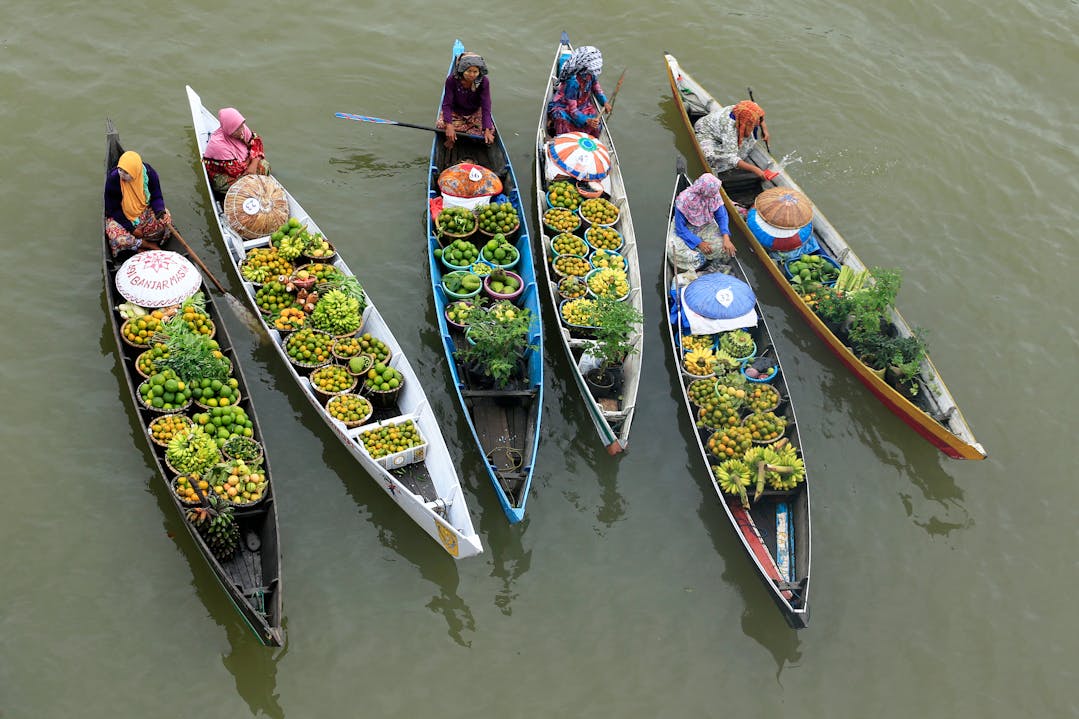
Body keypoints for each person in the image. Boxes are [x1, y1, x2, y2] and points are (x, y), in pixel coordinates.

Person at [104, 150, 172, 256]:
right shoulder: (114, 179)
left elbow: (156, 196)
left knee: (165, 217)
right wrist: (132, 229)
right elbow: (113, 209)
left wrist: (159, 209)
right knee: (116, 237)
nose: (122, 174)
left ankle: (137, 244)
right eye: (120, 170)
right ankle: (144, 243)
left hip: (143, 211)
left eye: (126, 173)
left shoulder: (149, 174)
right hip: (123, 216)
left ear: (135, 172)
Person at [668, 173, 737, 271]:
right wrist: (699, 243)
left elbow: (722, 216)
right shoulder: (684, 200)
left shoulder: (714, 194)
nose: (714, 196)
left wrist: (726, 237)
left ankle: (704, 259)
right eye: (711, 195)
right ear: (703, 191)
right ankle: (702, 259)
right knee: (675, 253)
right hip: (686, 228)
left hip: (705, 224)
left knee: (724, 247)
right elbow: (680, 228)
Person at [694, 100, 776, 182]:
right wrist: (755, 169)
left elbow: (759, 116)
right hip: (705, 132)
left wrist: (765, 130)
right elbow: (731, 158)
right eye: (755, 122)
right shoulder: (729, 128)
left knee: (745, 146)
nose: (758, 123)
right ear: (745, 121)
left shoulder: (746, 109)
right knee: (710, 157)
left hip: (720, 131)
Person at [202, 107, 271, 196]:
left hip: (244, 165)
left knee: (264, 165)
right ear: (229, 129)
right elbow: (235, 171)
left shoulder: (241, 128)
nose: (242, 131)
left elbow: (257, 142)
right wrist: (253, 160)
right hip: (225, 174)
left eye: (242, 125)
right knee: (242, 186)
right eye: (237, 129)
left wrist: (253, 163)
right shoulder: (218, 145)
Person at [547, 45, 612, 138]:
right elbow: (572, 110)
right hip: (566, 107)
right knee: (563, 124)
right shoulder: (572, 82)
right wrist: (587, 120)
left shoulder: (591, 75)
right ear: (584, 68)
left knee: (597, 127)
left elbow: (596, 89)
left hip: (583, 106)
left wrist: (604, 102)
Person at [436, 52, 494, 148]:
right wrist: (449, 125)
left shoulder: (484, 81)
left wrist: (487, 129)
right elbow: (447, 104)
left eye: (475, 72)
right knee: (441, 125)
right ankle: (455, 135)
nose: (472, 75)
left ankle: (460, 131)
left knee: (490, 131)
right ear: (462, 70)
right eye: (468, 71)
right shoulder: (451, 80)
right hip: (456, 112)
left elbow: (486, 105)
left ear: (479, 72)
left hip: (474, 112)